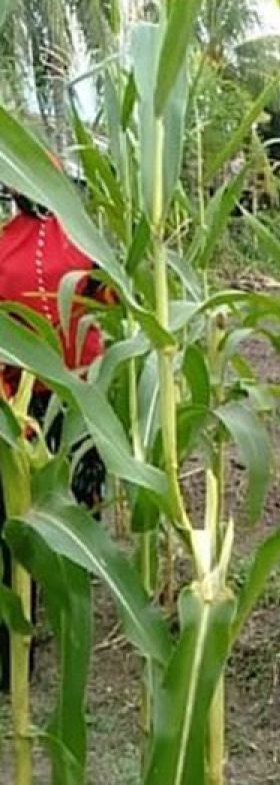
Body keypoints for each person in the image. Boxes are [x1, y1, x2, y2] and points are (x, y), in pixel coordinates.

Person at [0, 183, 109, 691]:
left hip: (70, 397)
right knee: (28, 513)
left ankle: (64, 611)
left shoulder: (81, 243)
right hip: (27, 396)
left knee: (70, 507)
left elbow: (110, 300)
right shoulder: (13, 244)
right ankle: (31, 621)